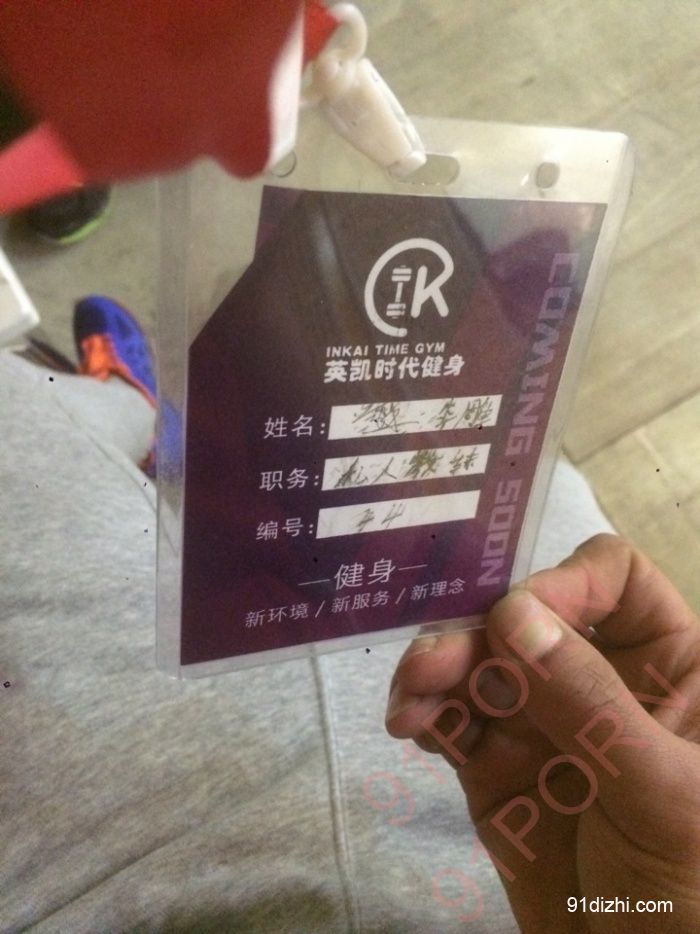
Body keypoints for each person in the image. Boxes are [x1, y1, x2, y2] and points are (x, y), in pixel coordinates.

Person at [2, 301, 699, 931]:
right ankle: (154, 432)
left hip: (120, 862)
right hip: (527, 812)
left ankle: (125, 405)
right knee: (550, 497)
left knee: (27, 418)